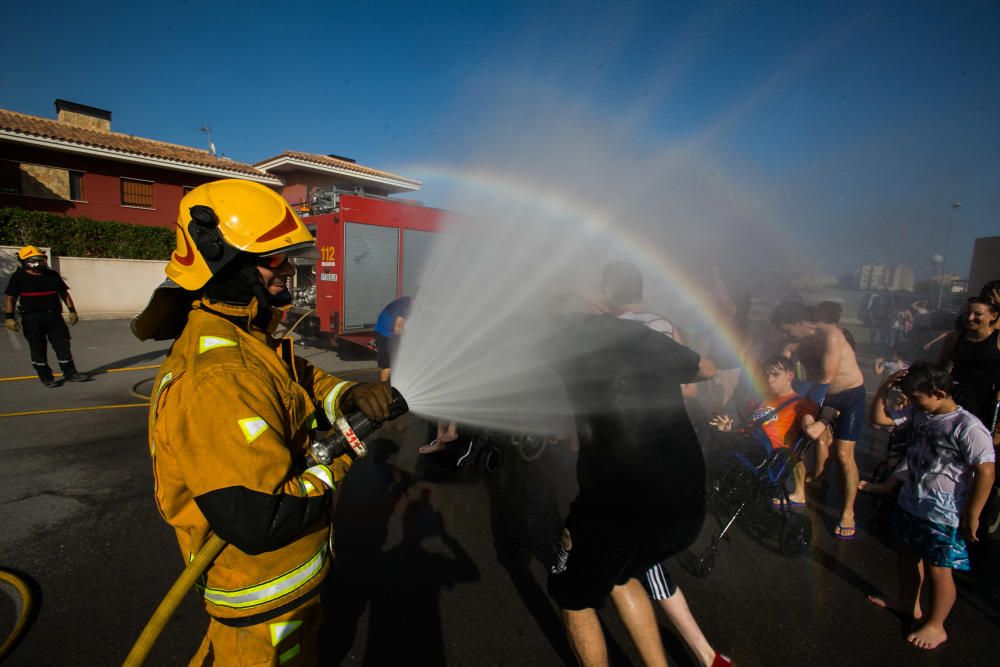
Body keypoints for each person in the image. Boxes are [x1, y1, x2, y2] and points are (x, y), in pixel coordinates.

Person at [130, 179, 393, 666]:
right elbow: (260, 518)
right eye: (274, 260)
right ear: (223, 261)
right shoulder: (220, 378)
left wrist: (348, 393)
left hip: (287, 589)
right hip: (263, 606)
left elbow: (296, 377)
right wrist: (344, 447)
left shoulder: (245, 332)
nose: (288, 270)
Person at [547, 301, 717, 667]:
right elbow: (707, 368)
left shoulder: (559, 342)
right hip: (686, 505)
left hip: (620, 506)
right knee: (620, 574)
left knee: (572, 595)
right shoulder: (640, 335)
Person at [599, 261, 731, 667]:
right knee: (645, 559)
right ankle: (707, 655)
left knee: (642, 566)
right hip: (672, 444)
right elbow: (689, 388)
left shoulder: (615, 330)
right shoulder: (665, 326)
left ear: (610, 290)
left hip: (636, 454)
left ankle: (707, 656)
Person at [860, 362, 995, 650]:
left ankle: (937, 624)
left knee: (938, 569)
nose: (913, 403)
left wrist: (973, 514)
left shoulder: (967, 427)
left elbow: (986, 471)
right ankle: (909, 603)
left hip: (942, 513)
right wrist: (884, 387)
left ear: (940, 391)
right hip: (911, 501)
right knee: (907, 556)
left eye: (918, 397)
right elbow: (880, 418)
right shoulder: (922, 414)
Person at [771, 301, 866, 540]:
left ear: (800, 323)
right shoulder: (798, 342)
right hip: (819, 395)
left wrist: (811, 413)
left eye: (786, 330)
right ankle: (800, 491)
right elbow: (785, 366)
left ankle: (848, 512)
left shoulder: (832, 336)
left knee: (844, 455)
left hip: (848, 396)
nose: (785, 335)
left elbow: (826, 377)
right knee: (796, 439)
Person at [708, 355, 825, 507]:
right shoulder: (761, 399)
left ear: (790, 376)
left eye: (775, 375)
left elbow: (810, 431)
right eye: (767, 374)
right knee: (708, 432)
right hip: (745, 443)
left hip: (765, 452)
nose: (769, 379)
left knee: (714, 439)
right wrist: (728, 429)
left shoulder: (801, 404)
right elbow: (748, 425)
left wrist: (827, 419)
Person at [4, 245, 88, 386]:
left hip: (54, 317)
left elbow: (64, 293)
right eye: (36, 260)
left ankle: (70, 373)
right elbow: (10, 298)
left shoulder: (52, 275)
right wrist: (9, 317)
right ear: (25, 261)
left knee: (63, 345)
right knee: (38, 348)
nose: (40, 262)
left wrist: (72, 310)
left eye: (41, 259)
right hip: (32, 318)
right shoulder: (18, 277)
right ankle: (46, 378)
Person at [373, 293, 411, 383]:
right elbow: (397, 329)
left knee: (395, 361)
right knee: (388, 365)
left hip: (384, 331)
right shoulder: (405, 308)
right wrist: (410, 336)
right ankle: (383, 388)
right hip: (385, 334)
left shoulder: (407, 300)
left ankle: (393, 383)